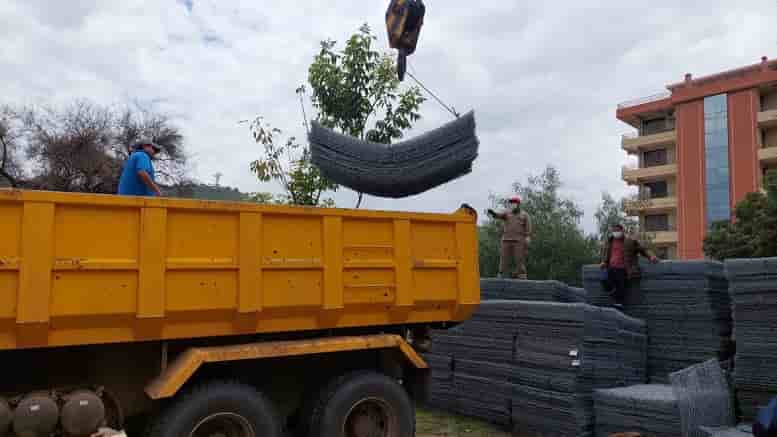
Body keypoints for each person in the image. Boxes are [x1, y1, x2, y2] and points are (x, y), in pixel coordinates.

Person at [600, 224, 658, 306]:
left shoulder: (629, 242)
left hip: (623, 268)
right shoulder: (609, 242)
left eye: (617, 231)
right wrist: (603, 261)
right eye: (614, 231)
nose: (616, 232)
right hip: (611, 267)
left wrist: (651, 256)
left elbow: (643, 250)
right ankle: (614, 296)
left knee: (621, 286)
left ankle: (619, 304)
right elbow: (605, 254)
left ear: (622, 231)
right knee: (604, 281)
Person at [488, 196, 532, 279]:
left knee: (519, 258)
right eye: (511, 203)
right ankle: (501, 273)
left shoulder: (524, 215)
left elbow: (528, 227)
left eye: (514, 203)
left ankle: (521, 274)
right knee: (503, 257)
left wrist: (528, 237)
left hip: (519, 240)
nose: (512, 205)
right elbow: (498, 215)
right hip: (506, 240)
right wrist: (493, 213)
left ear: (518, 204)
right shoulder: (507, 213)